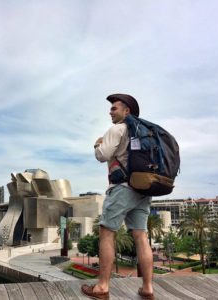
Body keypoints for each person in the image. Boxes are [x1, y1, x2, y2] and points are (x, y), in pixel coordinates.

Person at [81, 94, 154, 300]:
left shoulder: (117, 129)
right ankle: (147, 288)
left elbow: (102, 155)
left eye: (114, 108)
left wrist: (97, 144)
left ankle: (102, 287)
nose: (110, 111)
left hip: (122, 187)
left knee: (107, 232)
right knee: (141, 236)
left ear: (126, 111)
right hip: (143, 189)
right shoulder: (143, 133)